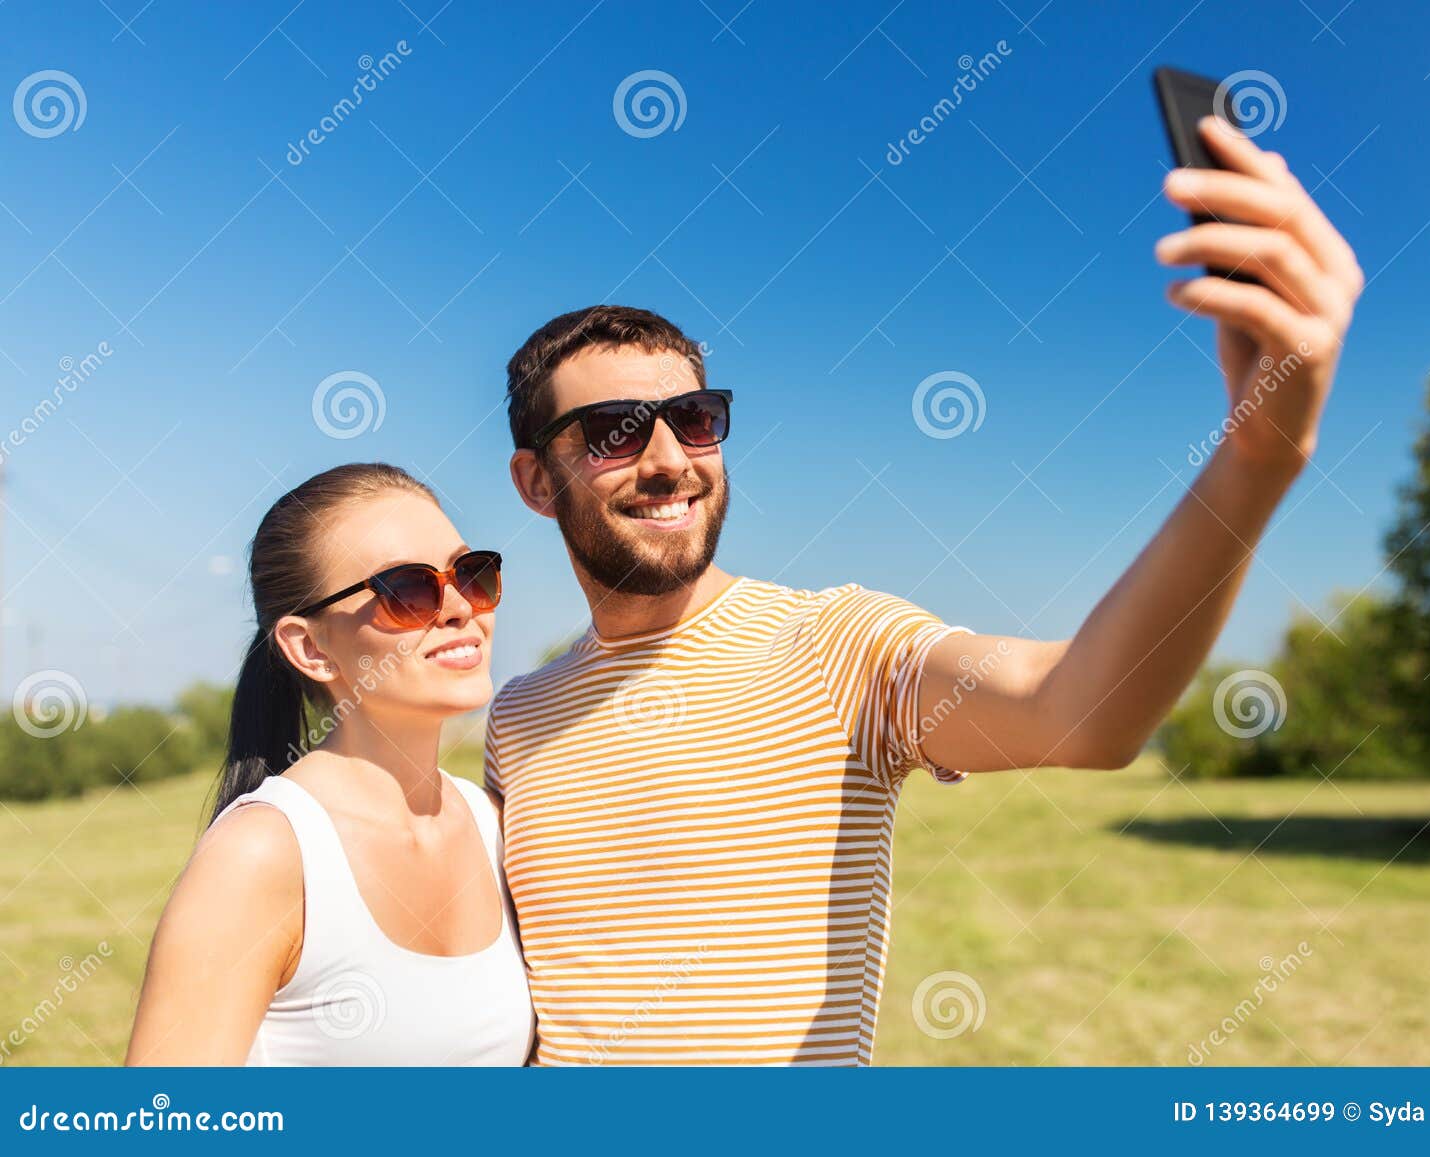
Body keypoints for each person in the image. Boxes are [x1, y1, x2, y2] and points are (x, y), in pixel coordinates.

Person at [487, 117, 1364, 1064]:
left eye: (695, 419)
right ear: (537, 481)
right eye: (615, 430)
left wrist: (1259, 460)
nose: (669, 459)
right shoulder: (516, 720)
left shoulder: (836, 644)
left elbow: (1084, 712)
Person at [127, 463, 534, 1066]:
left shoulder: (495, 825)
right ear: (310, 648)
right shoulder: (262, 854)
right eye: (407, 590)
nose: (457, 608)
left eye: (472, 574)